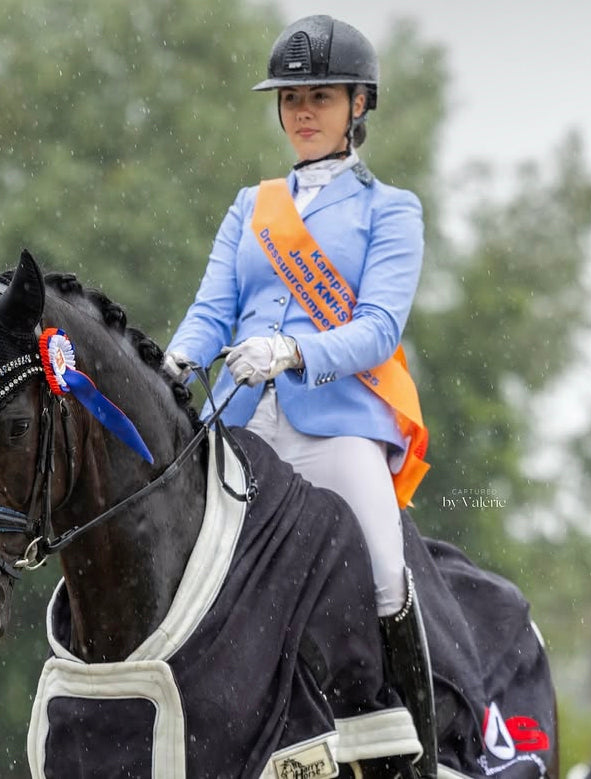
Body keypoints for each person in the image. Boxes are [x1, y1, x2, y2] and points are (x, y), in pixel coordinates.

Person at [163, 14, 436, 778]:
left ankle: (416, 740)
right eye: (291, 99)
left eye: (320, 97)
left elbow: (379, 328)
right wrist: (174, 360)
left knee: (384, 568)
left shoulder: (391, 210)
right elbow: (212, 309)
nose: (302, 112)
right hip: (237, 420)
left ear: (358, 104)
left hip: (334, 426)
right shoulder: (250, 206)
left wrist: (293, 351)